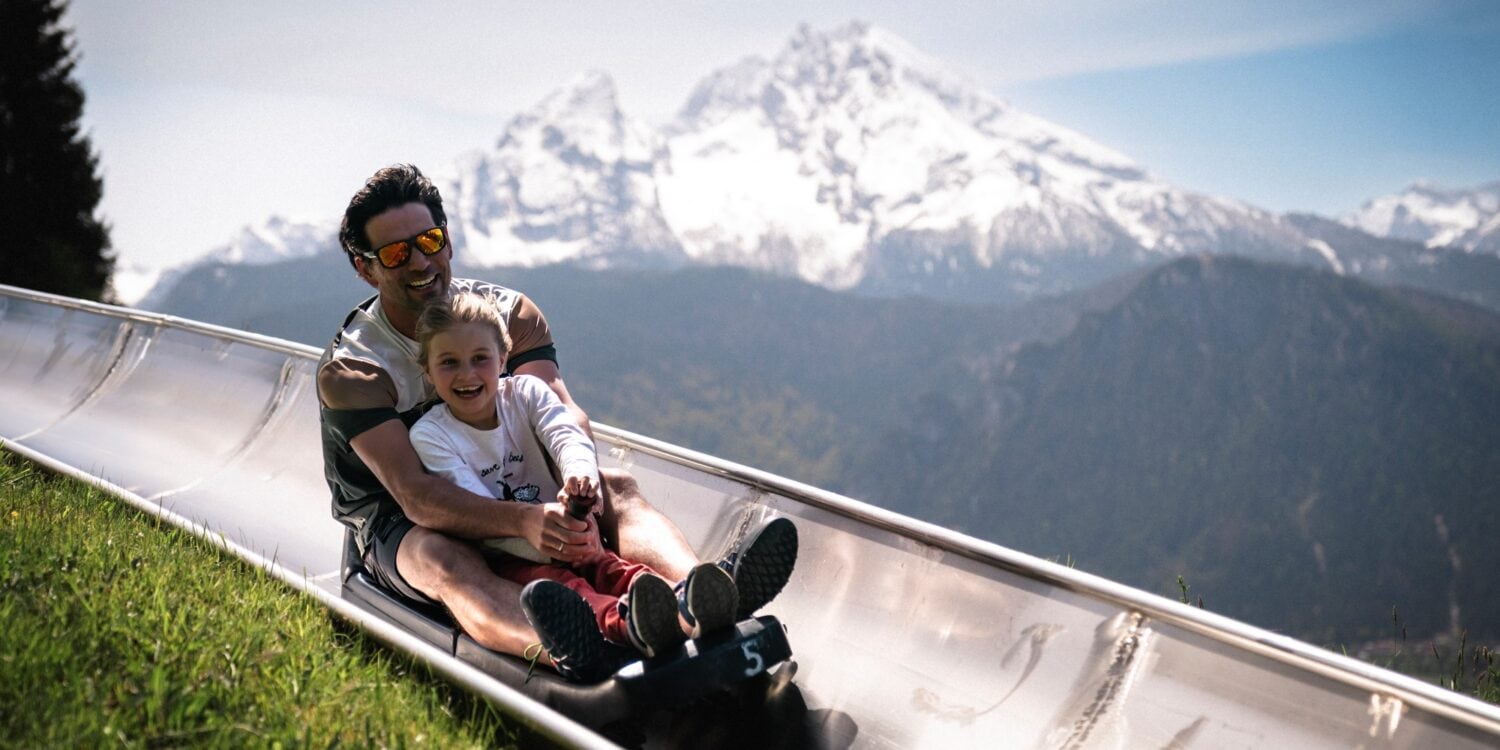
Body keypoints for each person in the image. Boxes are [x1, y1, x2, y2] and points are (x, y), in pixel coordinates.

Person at [317, 164, 798, 679]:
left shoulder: (508, 316)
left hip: (516, 479)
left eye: (429, 241)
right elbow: (416, 495)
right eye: (395, 253)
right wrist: (524, 521)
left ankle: (705, 599)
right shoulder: (356, 370)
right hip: (397, 515)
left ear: (448, 240)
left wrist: (578, 495)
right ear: (365, 269)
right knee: (444, 555)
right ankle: (569, 644)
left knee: (617, 486)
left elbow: (558, 415)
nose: (420, 261)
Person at [408, 292, 738, 680]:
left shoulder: (526, 393)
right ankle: (629, 624)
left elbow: (564, 435)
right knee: (567, 590)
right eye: (449, 363)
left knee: (616, 569)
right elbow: (471, 502)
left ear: (503, 358)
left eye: (480, 358)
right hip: (510, 552)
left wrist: (580, 477)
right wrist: (548, 537)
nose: (467, 375)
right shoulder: (430, 434)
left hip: (569, 529)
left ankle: (689, 605)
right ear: (428, 372)